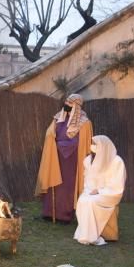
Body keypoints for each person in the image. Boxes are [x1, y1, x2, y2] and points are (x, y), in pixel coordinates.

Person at [35, 94, 94, 223]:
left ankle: (64, 215)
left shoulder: (84, 123)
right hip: (55, 157)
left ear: (76, 106)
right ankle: (49, 213)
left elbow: (83, 143)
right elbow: (50, 132)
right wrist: (51, 140)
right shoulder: (58, 118)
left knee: (67, 187)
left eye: (70, 103)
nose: (66, 105)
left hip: (72, 161)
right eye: (66, 101)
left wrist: (61, 145)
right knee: (53, 184)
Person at [74, 135, 126, 246]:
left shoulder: (116, 161)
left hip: (110, 193)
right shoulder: (88, 160)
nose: (93, 146)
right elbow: (88, 180)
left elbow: (117, 184)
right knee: (83, 200)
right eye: (93, 144)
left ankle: (91, 235)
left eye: (96, 144)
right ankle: (87, 233)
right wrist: (89, 191)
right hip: (92, 191)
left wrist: (100, 191)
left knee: (91, 202)